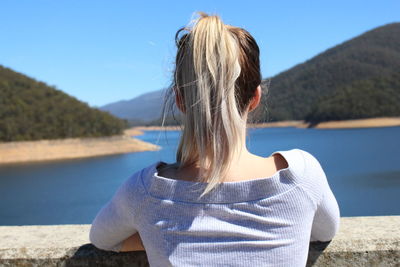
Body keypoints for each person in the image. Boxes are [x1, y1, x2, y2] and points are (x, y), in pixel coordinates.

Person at [89, 12, 340, 266]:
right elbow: (325, 231)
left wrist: (150, 237)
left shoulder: (144, 191)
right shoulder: (302, 177)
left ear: (180, 100)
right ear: (255, 98)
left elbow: (103, 239)